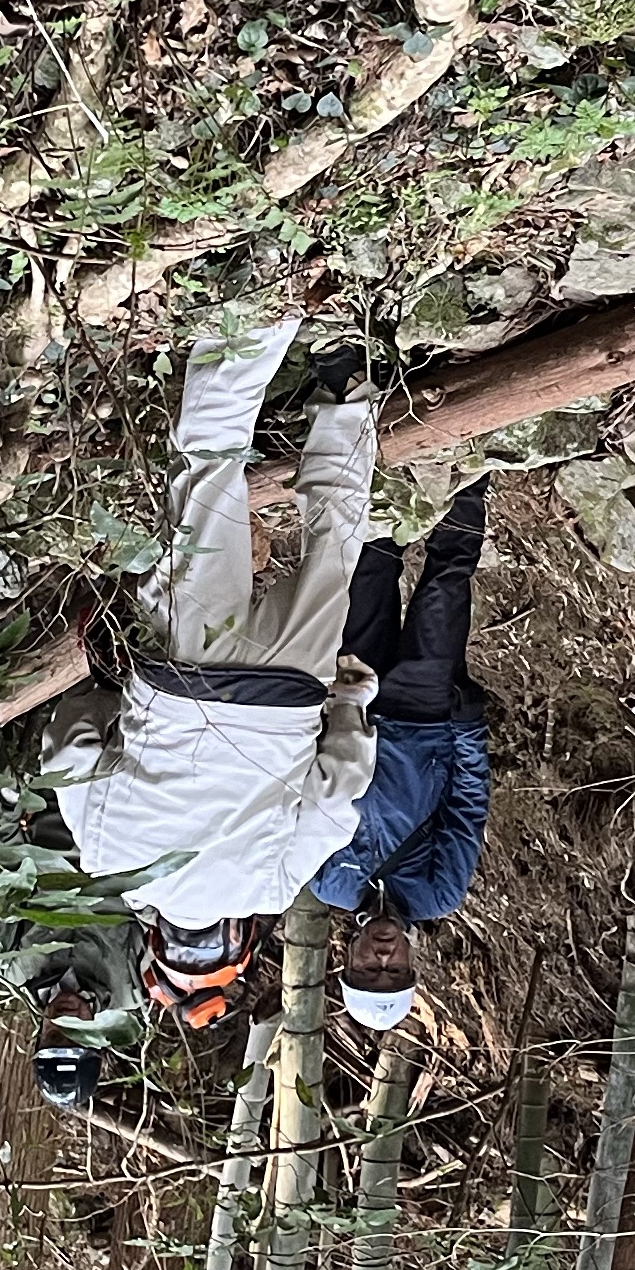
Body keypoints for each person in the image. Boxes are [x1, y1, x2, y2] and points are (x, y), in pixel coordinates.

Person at [46, 311, 381, 1028]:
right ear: (154, 941)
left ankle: (346, 380)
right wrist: (108, 703)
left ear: (240, 943)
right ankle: (254, 317)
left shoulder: (271, 887)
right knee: (205, 473)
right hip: (180, 678)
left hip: (290, 694)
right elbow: (69, 752)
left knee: (337, 541)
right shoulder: (114, 864)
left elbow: (339, 790)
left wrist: (350, 707)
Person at [305, 473, 500, 1031]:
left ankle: (389, 463)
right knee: (445, 584)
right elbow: (466, 809)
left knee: (369, 569)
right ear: (414, 964)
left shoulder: (328, 882)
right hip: (425, 718)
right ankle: (471, 471)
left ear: (346, 960)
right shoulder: (438, 894)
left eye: (369, 969)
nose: (383, 958)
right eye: (393, 972)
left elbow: (309, 790)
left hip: (351, 705)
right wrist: (465, 728)